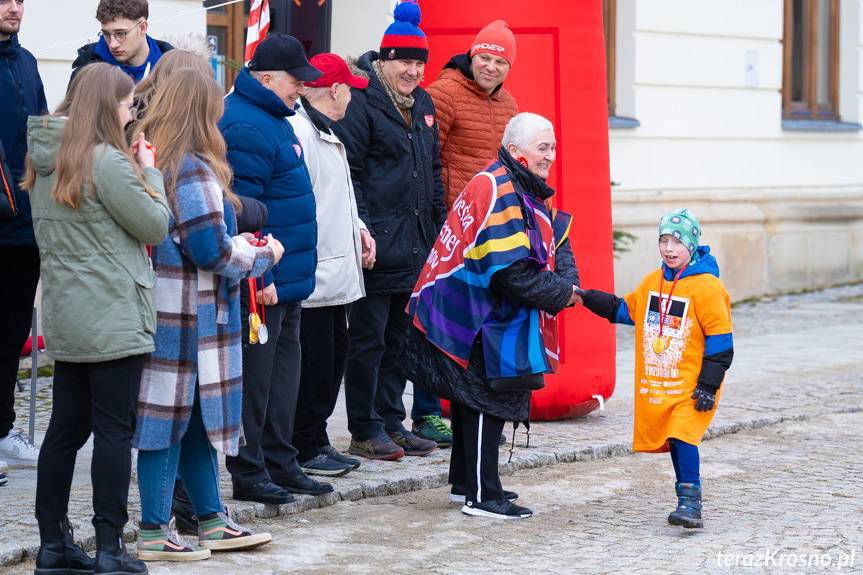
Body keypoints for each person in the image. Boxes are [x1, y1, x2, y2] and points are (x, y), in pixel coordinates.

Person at [25, 62, 170, 575]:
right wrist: (148, 168)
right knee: (113, 430)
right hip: (111, 316)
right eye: (129, 102)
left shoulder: (48, 158)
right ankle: (110, 546)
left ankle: (52, 544)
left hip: (68, 315)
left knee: (65, 431)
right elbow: (154, 225)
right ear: (108, 105)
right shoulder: (106, 161)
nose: (133, 111)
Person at [402, 112, 580, 520]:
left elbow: (552, 239)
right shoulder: (500, 188)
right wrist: (562, 293)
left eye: (552, 146)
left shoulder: (505, 180)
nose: (551, 155)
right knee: (486, 399)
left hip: (465, 311)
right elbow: (510, 273)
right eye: (543, 147)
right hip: (476, 315)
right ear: (517, 152)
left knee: (471, 398)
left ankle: (467, 481)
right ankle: (482, 496)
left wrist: (565, 284)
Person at [132, 68, 279, 561]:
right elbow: (210, 251)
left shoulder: (159, 161)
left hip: (175, 315)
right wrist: (261, 255)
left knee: (192, 422)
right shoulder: (190, 168)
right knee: (168, 423)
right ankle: (154, 529)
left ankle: (212, 520)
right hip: (186, 321)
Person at [332, 0, 445, 461]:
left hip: (416, 242)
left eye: (419, 63)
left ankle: (391, 421)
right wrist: (362, 228)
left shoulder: (424, 104)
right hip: (376, 244)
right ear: (384, 59)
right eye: (405, 61)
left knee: (400, 339)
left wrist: (438, 228)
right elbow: (351, 172)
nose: (413, 71)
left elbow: (433, 169)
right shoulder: (363, 102)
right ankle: (364, 426)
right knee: (368, 340)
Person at [220, 33, 329, 504]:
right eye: (295, 80)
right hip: (263, 281)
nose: (302, 89)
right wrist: (259, 278)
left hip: (289, 277)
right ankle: (250, 470)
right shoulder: (247, 125)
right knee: (257, 382)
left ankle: (281, 462)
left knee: (284, 377)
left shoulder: (276, 117)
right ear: (265, 78)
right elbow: (243, 212)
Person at [576, 209, 734, 529]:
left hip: (694, 385)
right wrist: (585, 297)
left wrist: (709, 385)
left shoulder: (708, 288)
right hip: (662, 384)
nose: (669, 248)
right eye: (664, 240)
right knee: (675, 439)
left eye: (677, 241)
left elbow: (721, 342)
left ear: (691, 245)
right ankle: (684, 498)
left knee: (683, 434)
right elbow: (625, 310)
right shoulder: (654, 282)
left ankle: (691, 503)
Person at [416, 19, 519, 446]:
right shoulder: (444, 92)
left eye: (499, 61)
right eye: (485, 58)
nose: (491, 67)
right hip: (451, 225)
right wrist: (443, 215)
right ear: (472, 55)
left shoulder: (509, 104)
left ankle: (462, 404)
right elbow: (426, 158)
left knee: (473, 321)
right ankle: (425, 411)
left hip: (490, 228)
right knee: (436, 317)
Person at [287, 53, 372, 477]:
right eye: (349, 93)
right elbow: (304, 205)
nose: (352, 102)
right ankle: (305, 442)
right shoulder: (304, 133)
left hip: (338, 270)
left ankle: (316, 437)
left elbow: (338, 198)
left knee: (332, 360)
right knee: (315, 366)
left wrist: (358, 228)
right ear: (336, 90)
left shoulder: (327, 132)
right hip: (317, 273)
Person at [0, 0, 47, 471]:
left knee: (12, 332)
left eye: (19, 0)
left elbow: (43, 135)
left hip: (25, 224)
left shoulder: (27, 61)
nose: (15, 8)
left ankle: (2, 429)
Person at [72, 0, 173, 83]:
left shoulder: (174, 72)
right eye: (106, 34)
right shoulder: (85, 73)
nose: (112, 45)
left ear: (142, 28)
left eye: (120, 33)